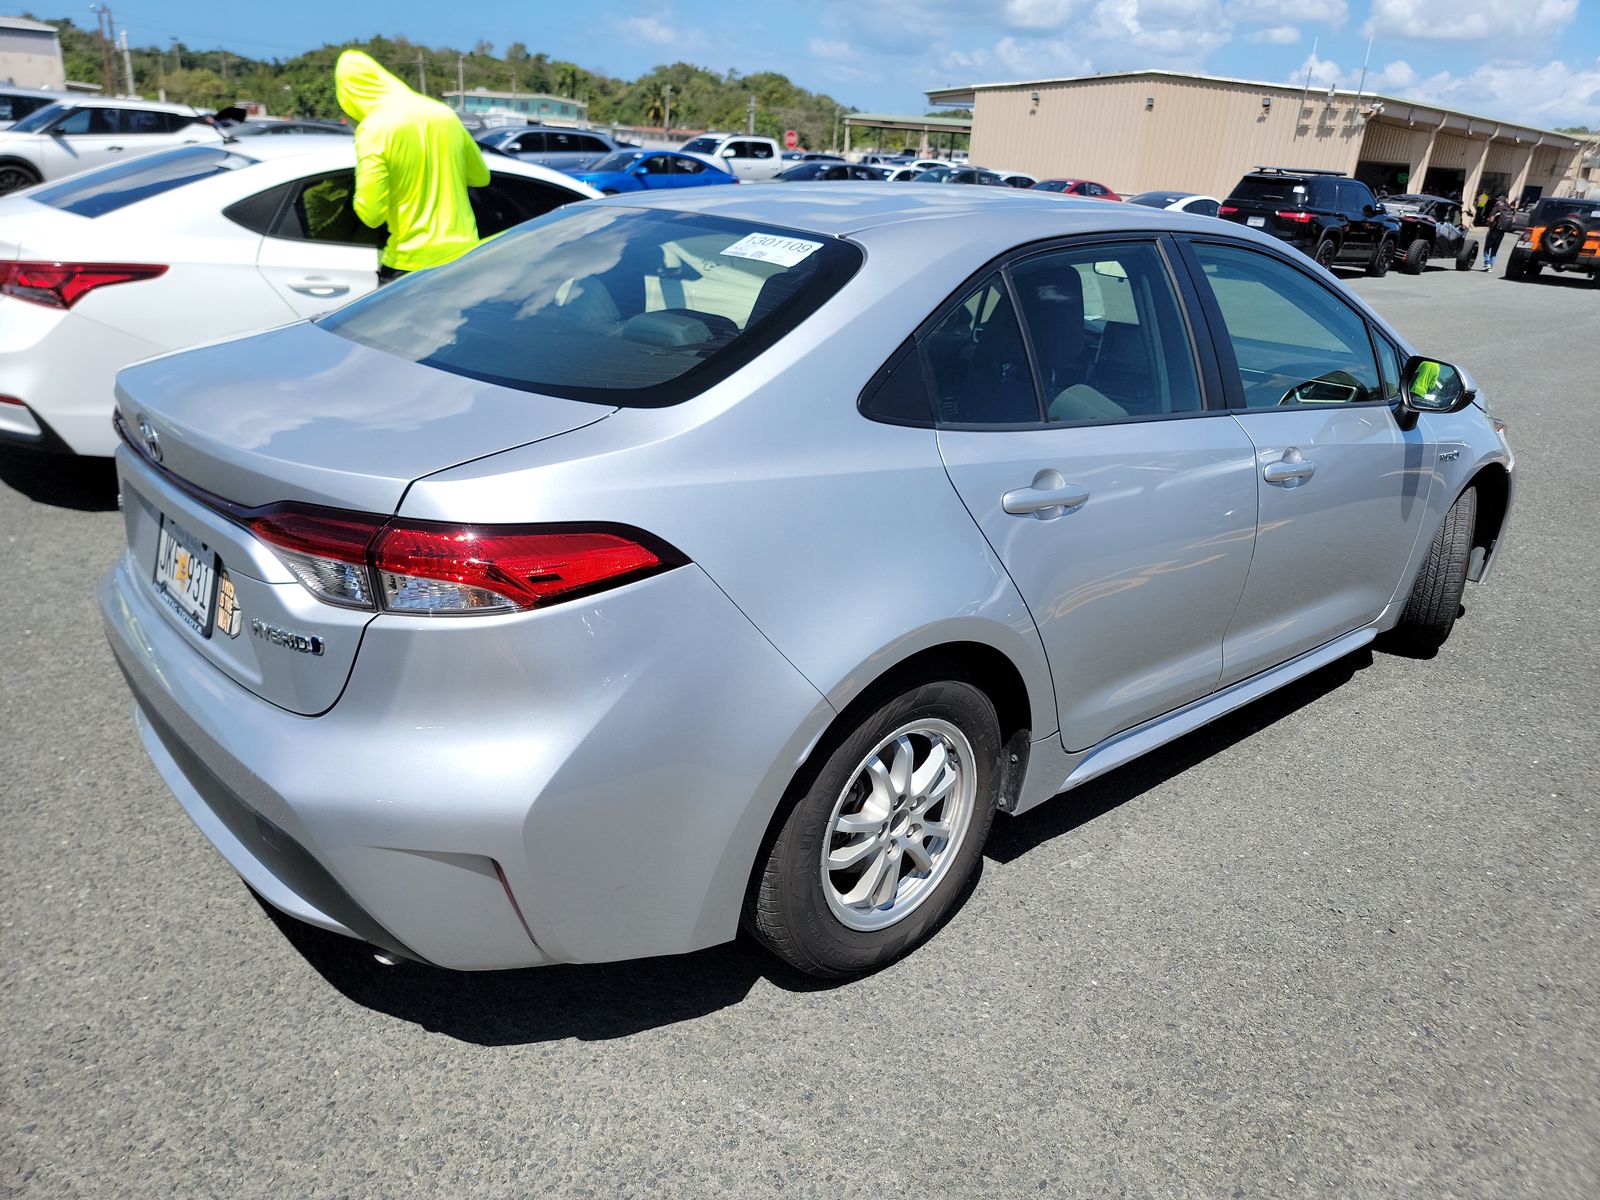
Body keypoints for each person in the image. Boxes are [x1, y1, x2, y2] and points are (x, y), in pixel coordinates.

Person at [334, 49, 489, 284]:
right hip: (463, 260)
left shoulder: (374, 128)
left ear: (347, 94)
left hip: (409, 266)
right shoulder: (444, 114)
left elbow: (371, 215)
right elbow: (481, 177)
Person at [1482, 194, 1515, 272]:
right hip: (1502, 231)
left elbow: (1491, 220)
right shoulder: (1509, 209)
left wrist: (1488, 220)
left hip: (1494, 230)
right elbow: (1514, 220)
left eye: (1497, 200)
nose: (1496, 201)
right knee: (1494, 249)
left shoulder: (1496, 208)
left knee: (1487, 248)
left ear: (1500, 201)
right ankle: (1491, 265)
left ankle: (1487, 264)